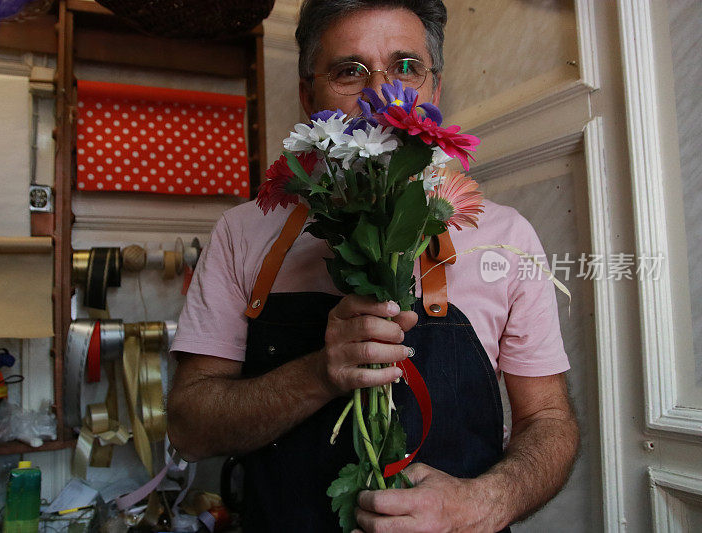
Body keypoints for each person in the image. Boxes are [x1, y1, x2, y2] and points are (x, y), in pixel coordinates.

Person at [166, 1, 580, 531]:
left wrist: (484, 504)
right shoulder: (242, 234)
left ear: (435, 90)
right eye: (348, 71)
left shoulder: (508, 239)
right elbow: (189, 428)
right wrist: (319, 373)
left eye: (407, 67)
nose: (382, 94)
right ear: (305, 94)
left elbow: (548, 420)